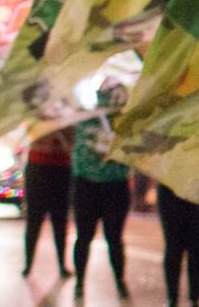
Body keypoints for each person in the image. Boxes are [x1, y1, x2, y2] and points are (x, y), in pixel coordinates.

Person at [71, 98, 131, 301]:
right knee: (85, 237)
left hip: (114, 186)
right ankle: (80, 282)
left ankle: (120, 281)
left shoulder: (125, 121)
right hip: (89, 185)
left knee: (113, 238)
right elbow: (79, 154)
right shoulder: (86, 118)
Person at [23, 127, 74, 277]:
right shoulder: (38, 114)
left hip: (61, 169)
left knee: (60, 221)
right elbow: (32, 137)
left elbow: (72, 144)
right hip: (37, 168)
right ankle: (28, 264)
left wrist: (62, 137)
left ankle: (62, 265)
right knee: (34, 219)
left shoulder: (69, 116)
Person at [157, 182, 199, 307]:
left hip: (195, 193)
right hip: (170, 191)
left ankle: (194, 297)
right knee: (173, 248)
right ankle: (172, 297)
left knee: (195, 249)